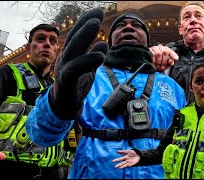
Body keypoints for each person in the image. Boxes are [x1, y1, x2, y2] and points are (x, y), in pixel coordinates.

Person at [24, 8, 186, 179]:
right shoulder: (87, 75)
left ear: (148, 41)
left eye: (137, 25)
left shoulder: (172, 87)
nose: (128, 28)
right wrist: (57, 105)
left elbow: (187, 142)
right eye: (120, 25)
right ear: (110, 40)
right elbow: (40, 136)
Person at [0, 24, 70, 179]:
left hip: (52, 173)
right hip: (8, 170)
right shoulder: (7, 74)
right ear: (28, 47)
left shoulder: (58, 86)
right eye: (40, 39)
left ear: (56, 50)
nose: (47, 44)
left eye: (53, 41)